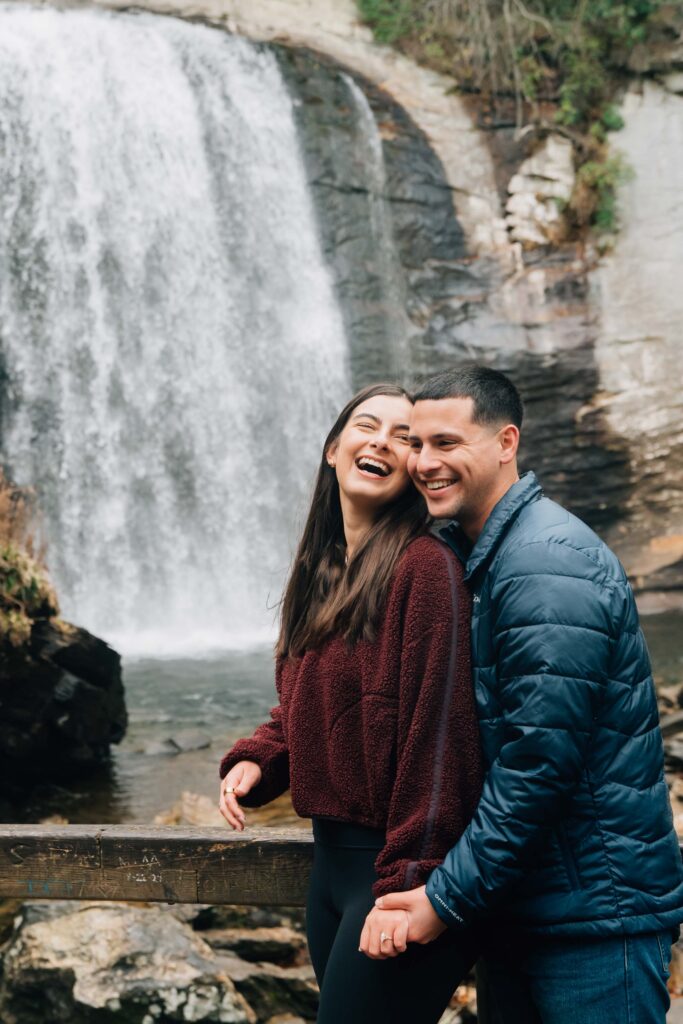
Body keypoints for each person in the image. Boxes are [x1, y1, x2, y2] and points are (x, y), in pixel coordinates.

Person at [376, 365, 683, 1023]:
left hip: (591, 921)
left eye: (446, 443)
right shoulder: (476, 553)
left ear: (505, 442)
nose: (424, 462)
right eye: (416, 443)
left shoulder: (545, 565)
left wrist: (444, 900)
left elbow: (535, 768)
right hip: (530, 905)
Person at [218, 382, 484, 1024]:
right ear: (334, 448)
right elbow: (310, 701)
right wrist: (262, 758)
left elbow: (439, 735)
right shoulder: (324, 571)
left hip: (392, 872)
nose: (385, 444)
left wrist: (408, 884)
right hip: (329, 869)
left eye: (405, 438)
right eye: (369, 426)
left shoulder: (425, 569)